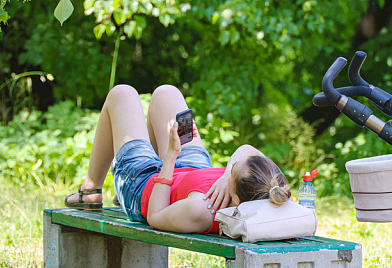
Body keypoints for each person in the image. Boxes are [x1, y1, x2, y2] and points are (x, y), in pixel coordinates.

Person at [63, 84, 291, 233]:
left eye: (232, 172)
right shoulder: (265, 183)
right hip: (193, 168)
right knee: (167, 93)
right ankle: (151, 152)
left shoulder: (201, 209)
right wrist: (226, 175)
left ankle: (91, 190)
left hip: (144, 186)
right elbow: (247, 149)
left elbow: (155, 216)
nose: (229, 168)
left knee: (121, 94)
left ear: (236, 200)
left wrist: (171, 156)